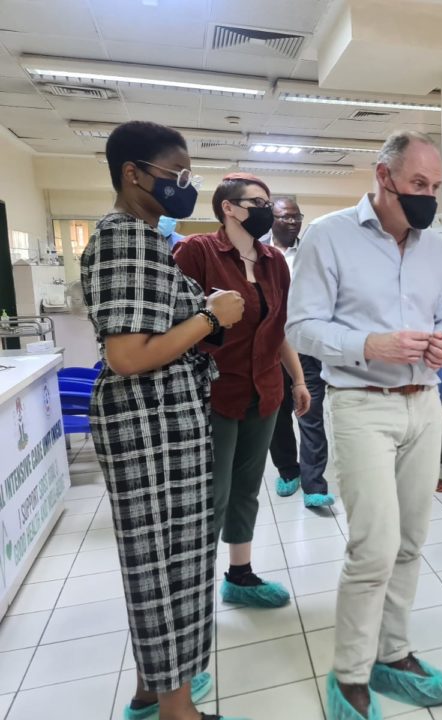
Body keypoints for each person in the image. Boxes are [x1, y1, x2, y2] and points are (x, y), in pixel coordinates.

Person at [287, 130, 442, 720]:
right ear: (383, 177)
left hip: (423, 405)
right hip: (360, 405)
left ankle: (394, 651)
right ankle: (352, 672)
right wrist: (370, 343)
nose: (428, 197)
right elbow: (301, 328)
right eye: (418, 184)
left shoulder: (436, 248)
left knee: (410, 543)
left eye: (436, 186)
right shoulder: (329, 237)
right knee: (375, 546)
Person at [80, 120, 246, 720]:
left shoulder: (144, 235)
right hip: (148, 425)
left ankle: (154, 691)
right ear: (133, 174)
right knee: (168, 563)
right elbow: (127, 356)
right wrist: (210, 316)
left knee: (161, 560)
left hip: (162, 421)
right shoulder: (126, 237)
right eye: (176, 174)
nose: (184, 185)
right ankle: (179, 712)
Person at [173, 173, 309, 609]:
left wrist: (299, 379)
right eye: (256, 202)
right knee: (212, 493)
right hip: (213, 392)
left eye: (268, 201)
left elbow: (278, 329)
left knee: (248, 486)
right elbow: (175, 323)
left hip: (265, 390)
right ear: (228, 207)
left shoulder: (273, 262)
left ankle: (240, 575)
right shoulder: (198, 253)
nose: (267, 210)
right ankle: (191, 601)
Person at [263, 198, 334, 507]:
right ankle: (288, 470)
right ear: (271, 219)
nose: (292, 222)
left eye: (296, 217)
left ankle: (314, 483)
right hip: (270, 346)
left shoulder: (313, 252)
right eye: (284, 217)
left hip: (306, 344)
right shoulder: (257, 252)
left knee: (312, 412)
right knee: (277, 415)